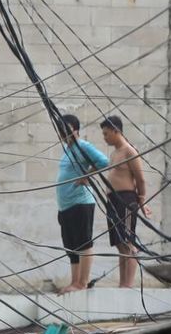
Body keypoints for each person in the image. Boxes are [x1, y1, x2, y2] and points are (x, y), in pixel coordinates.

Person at [56, 114, 109, 294]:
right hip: (66, 206)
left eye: (67, 129)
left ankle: (82, 282)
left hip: (80, 202)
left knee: (84, 242)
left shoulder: (83, 146)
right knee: (71, 246)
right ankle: (75, 281)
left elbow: (103, 161)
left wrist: (87, 176)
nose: (63, 132)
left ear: (76, 130)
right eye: (61, 129)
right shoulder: (67, 149)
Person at [100, 116, 151, 288]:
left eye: (107, 134)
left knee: (128, 242)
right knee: (120, 244)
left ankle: (128, 284)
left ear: (116, 131)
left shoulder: (129, 151)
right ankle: (122, 283)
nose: (104, 137)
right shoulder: (114, 153)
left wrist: (142, 201)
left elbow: (141, 179)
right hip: (113, 200)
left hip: (126, 200)